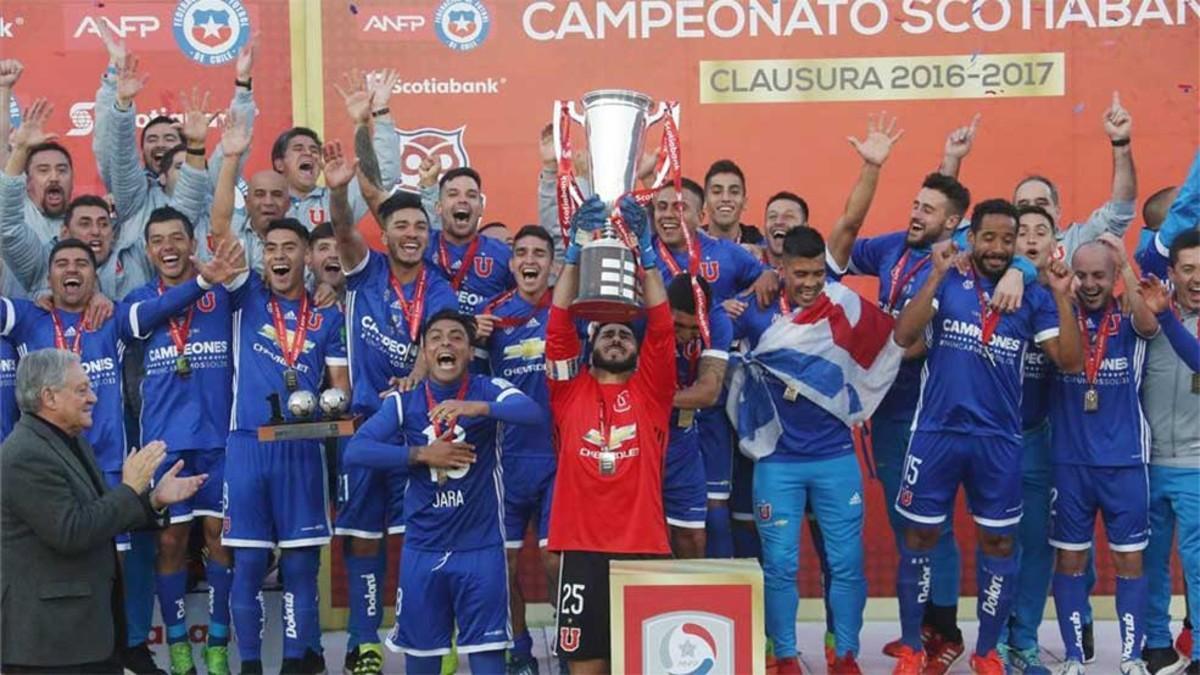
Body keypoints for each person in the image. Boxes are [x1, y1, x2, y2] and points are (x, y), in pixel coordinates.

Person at [890, 199, 1083, 674]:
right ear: (971, 238)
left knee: (999, 545)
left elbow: (1071, 362)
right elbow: (902, 336)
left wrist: (1060, 295)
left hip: (998, 440)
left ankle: (986, 651)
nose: (998, 248)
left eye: (1007, 239)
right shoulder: (948, 278)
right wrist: (933, 277)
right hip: (936, 432)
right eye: (989, 237)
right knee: (920, 536)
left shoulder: (1033, 296)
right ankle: (913, 647)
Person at [728, 226, 905, 675]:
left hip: (835, 459)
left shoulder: (839, 306)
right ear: (781, 268)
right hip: (778, 462)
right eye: (799, 273)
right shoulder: (754, 310)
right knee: (780, 565)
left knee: (847, 563)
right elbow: (703, 324)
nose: (809, 283)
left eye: (816, 274)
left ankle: (844, 653)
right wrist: (723, 306)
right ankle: (783, 654)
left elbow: (894, 341)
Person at [345, 309, 543, 675]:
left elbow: (532, 412)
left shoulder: (489, 389)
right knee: (421, 662)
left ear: (470, 351)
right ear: (423, 351)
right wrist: (420, 454)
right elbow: (356, 450)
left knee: (487, 660)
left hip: (481, 551)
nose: (446, 343)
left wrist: (476, 408)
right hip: (423, 551)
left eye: (456, 336)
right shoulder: (405, 403)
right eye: (435, 337)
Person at [326, 143, 457, 674]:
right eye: (400, 225)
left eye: (419, 227)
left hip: (417, 427)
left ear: (428, 235)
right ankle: (364, 640)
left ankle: (426, 636)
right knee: (361, 534)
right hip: (363, 428)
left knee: (418, 537)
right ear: (385, 232)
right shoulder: (365, 269)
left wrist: (413, 380)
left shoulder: (442, 286)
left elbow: (441, 343)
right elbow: (340, 231)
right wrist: (339, 190)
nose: (410, 234)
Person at [0, 348, 206, 673]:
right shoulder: (24, 454)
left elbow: (98, 515)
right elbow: (72, 532)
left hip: (89, 636)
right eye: (81, 389)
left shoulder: (73, 441)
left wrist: (153, 501)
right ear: (49, 397)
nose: (93, 397)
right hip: (51, 648)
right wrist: (129, 489)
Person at [547, 195, 674, 674]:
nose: (618, 337)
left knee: (646, 665)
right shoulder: (567, 391)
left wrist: (647, 255)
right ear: (591, 347)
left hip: (644, 546)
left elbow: (660, 329)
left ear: (637, 352)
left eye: (625, 334)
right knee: (587, 668)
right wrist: (575, 252)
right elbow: (558, 326)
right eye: (606, 334)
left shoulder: (652, 393)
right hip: (580, 553)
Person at [218, 219, 350, 674]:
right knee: (249, 562)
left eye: (290, 247)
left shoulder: (328, 314)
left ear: (308, 256)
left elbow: (341, 387)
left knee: (299, 566)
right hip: (247, 447)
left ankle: (296, 663)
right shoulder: (246, 297)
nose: (279, 255)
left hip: (302, 448)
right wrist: (228, 154)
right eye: (270, 246)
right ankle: (250, 666)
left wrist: (335, 407)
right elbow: (219, 229)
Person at [124, 207, 237, 675]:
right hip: (164, 448)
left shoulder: (225, 294)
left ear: (193, 244)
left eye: (177, 238)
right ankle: (177, 647)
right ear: (147, 250)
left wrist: (211, 284)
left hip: (220, 440)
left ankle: (216, 642)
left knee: (221, 539)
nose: (168, 247)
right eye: (157, 241)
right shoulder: (135, 300)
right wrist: (202, 283)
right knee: (170, 542)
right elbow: (144, 321)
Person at [1046, 238, 1160, 675]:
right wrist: (1060, 293)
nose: (1091, 284)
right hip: (1070, 462)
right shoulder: (1061, 315)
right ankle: (1075, 657)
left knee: (1130, 560)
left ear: (1114, 278)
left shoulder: (1131, 319)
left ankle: (1130, 657)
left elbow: (1151, 321)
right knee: (1070, 559)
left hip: (1126, 460)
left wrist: (1127, 268)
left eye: (1100, 275)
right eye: (1083, 274)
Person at [651, 177, 776, 558]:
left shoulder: (723, 252)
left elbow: (767, 278)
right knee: (657, 511)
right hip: (659, 410)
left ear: (699, 215)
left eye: (680, 207)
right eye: (661, 208)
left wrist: (737, 299)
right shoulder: (642, 258)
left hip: (710, 399)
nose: (670, 216)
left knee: (715, 509)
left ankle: (717, 598)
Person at [479, 225, 556, 674]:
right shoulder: (492, 319)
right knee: (503, 563)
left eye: (539, 253)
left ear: (551, 263)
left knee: (556, 560)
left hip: (559, 460)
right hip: (506, 463)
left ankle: (572, 647)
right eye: (522, 253)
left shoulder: (570, 311)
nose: (530, 260)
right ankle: (519, 648)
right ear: (511, 264)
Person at [1139, 230, 1200, 675]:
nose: (1196, 278)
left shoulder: (1165, 320)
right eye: (1188, 268)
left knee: (1198, 564)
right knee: (1150, 561)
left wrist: (1168, 319)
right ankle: (1157, 643)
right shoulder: (1147, 316)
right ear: (1172, 272)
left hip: (1198, 466)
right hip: (1147, 464)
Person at [273, 70, 400, 232]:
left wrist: (379, 111)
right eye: (298, 148)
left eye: (314, 150)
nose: (308, 153)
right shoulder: (264, 203)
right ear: (279, 164)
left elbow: (385, 174)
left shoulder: (337, 199)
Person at [664, 273, 732, 558]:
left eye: (695, 329)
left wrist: (649, 401)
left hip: (683, 433)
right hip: (636, 436)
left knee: (693, 535)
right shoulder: (642, 314)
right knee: (641, 535)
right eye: (678, 325)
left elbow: (708, 392)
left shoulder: (718, 322)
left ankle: (689, 601)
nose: (684, 335)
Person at [426, 167, 516, 316]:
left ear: (481, 207)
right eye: (453, 194)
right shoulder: (423, 245)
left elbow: (530, 299)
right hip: (432, 337)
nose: (462, 200)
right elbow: (390, 219)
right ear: (439, 207)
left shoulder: (503, 254)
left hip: (485, 338)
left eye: (471, 195)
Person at [703, 159, 764, 247]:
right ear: (704, 201)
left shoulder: (762, 250)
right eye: (717, 191)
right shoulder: (689, 248)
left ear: (744, 202)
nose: (725, 198)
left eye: (734, 192)